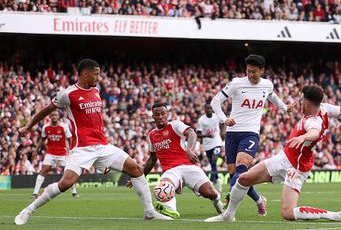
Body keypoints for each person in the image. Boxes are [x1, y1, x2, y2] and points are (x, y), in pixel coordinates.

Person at [14, 59, 171, 225]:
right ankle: (29, 210)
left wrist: (101, 162)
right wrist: (29, 126)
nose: (98, 77)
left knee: (137, 170)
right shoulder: (68, 94)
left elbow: (96, 122)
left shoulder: (96, 90)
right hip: (81, 149)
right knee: (66, 183)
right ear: (85, 74)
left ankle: (149, 213)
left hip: (102, 146)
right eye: (96, 74)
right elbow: (47, 109)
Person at [205, 85, 341, 222]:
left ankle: (334, 215)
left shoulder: (314, 121)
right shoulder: (325, 108)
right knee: (244, 178)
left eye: (301, 100)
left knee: (287, 213)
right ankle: (228, 215)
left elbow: (313, 132)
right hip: (284, 157)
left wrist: (304, 137)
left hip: (297, 168)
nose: (298, 102)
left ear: (306, 103)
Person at [211, 54, 295, 216]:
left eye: (254, 71)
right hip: (232, 133)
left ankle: (228, 209)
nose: (251, 75)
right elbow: (215, 101)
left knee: (241, 169)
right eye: (248, 71)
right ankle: (259, 200)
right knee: (234, 174)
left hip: (250, 133)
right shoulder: (236, 83)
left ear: (262, 70)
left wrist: (285, 108)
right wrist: (224, 119)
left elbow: (273, 98)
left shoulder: (267, 85)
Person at [138, 103, 223, 218]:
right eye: (157, 114)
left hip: (188, 166)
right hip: (170, 170)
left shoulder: (175, 125)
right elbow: (153, 159)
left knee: (210, 193)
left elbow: (192, 133)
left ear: (167, 114)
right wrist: (139, 176)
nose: (161, 116)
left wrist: (189, 150)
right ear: (153, 116)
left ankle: (219, 204)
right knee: (163, 186)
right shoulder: (152, 135)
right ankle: (170, 210)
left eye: (163, 113)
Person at [32, 111, 79, 198]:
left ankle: (74, 192)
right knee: (43, 171)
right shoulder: (45, 127)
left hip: (62, 153)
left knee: (68, 172)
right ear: (50, 117)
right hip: (50, 153)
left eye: (56, 115)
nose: (54, 117)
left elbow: (70, 139)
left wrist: (71, 150)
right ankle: (35, 193)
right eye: (52, 115)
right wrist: (36, 150)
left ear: (58, 117)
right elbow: (42, 139)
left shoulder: (63, 127)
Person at [197, 103, 225, 192]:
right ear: (205, 110)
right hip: (207, 145)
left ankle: (211, 183)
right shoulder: (201, 120)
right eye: (207, 109)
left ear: (212, 109)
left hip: (217, 143)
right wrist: (206, 135)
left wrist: (223, 132)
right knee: (213, 164)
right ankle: (218, 181)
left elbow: (224, 122)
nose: (209, 110)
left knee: (213, 162)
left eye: (210, 108)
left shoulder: (216, 117)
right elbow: (198, 134)